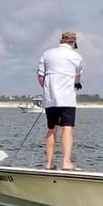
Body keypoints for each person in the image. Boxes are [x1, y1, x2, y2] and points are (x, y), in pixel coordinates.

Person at [37, 31, 84, 171]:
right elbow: (77, 78)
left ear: (61, 41)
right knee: (67, 127)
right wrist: (76, 85)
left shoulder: (47, 54)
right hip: (67, 99)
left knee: (52, 128)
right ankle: (66, 162)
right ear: (73, 43)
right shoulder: (76, 56)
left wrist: (48, 90)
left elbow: (41, 77)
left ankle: (49, 163)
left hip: (51, 98)